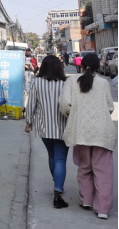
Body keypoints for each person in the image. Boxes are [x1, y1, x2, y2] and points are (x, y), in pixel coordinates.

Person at [59, 53, 116, 219]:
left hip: (80, 131)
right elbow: (110, 107)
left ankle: (86, 200)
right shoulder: (103, 83)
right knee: (103, 171)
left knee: (84, 166)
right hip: (103, 133)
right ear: (98, 67)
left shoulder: (71, 81)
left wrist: (75, 114)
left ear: (81, 66)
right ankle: (103, 209)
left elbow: (65, 105)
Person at [25, 56, 70, 209]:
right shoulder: (66, 83)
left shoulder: (36, 83)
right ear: (59, 67)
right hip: (64, 126)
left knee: (52, 156)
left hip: (45, 127)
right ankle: (58, 192)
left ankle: (58, 185)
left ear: (42, 67)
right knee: (60, 159)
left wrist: (29, 122)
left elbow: (31, 104)